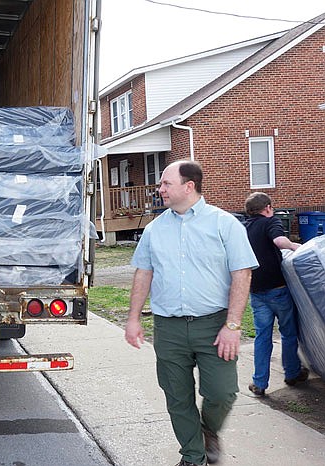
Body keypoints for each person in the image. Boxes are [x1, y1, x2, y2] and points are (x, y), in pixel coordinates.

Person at [124, 160, 258, 466]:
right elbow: (143, 273)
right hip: (169, 327)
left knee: (222, 393)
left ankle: (208, 432)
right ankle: (193, 456)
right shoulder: (155, 229)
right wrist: (133, 319)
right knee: (177, 397)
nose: (160, 190)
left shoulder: (225, 224)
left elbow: (242, 274)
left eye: (165, 184)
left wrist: (233, 325)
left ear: (189, 186)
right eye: (161, 184)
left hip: (214, 325)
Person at [243, 192, 308, 397]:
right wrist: (295, 246)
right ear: (268, 208)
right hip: (278, 290)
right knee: (288, 333)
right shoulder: (271, 222)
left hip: (256, 291)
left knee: (262, 336)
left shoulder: (245, 228)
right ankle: (292, 373)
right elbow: (280, 241)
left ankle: (260, 383)